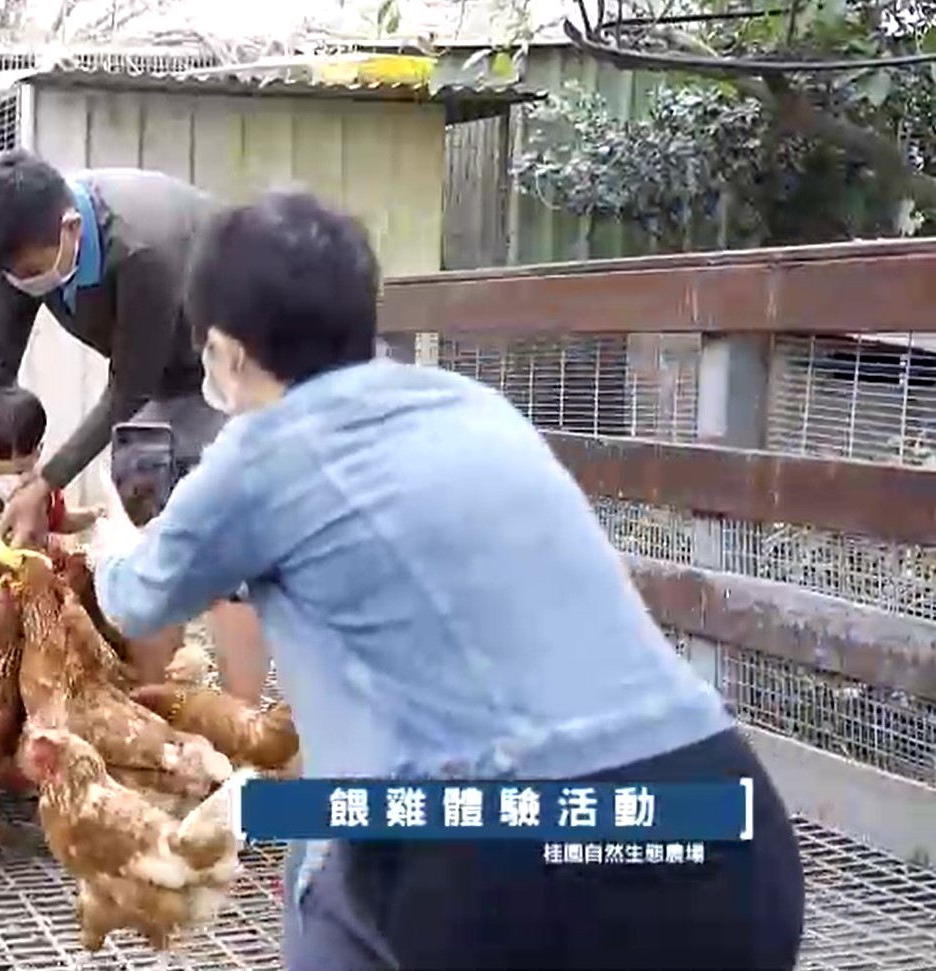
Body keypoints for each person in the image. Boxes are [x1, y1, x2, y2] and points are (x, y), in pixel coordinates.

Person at [87, 191, 805, 970]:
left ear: (224, 355)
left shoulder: (254, 455)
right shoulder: (472, 406)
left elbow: (133, 597)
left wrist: (108, 538)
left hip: (507, 868)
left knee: (320, 854)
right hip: (725, 830)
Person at [0, 148, 265, 698]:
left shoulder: (141, 246)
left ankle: (248, 730)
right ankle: (156, 708)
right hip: (168, 376)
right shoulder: (22, 247)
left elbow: (128, 386)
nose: (21, 284)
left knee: (232, 543)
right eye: (9, 276)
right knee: (148, 527)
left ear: (69, 229)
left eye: (31, 272)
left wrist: (46, 482)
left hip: (248, 359)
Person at [0, 385, 98, 553]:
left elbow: (61, 520)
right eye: (0, 474)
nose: (14, 481)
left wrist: (94, 515)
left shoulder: (42, 489)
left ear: (38, 451)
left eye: (21, 472)